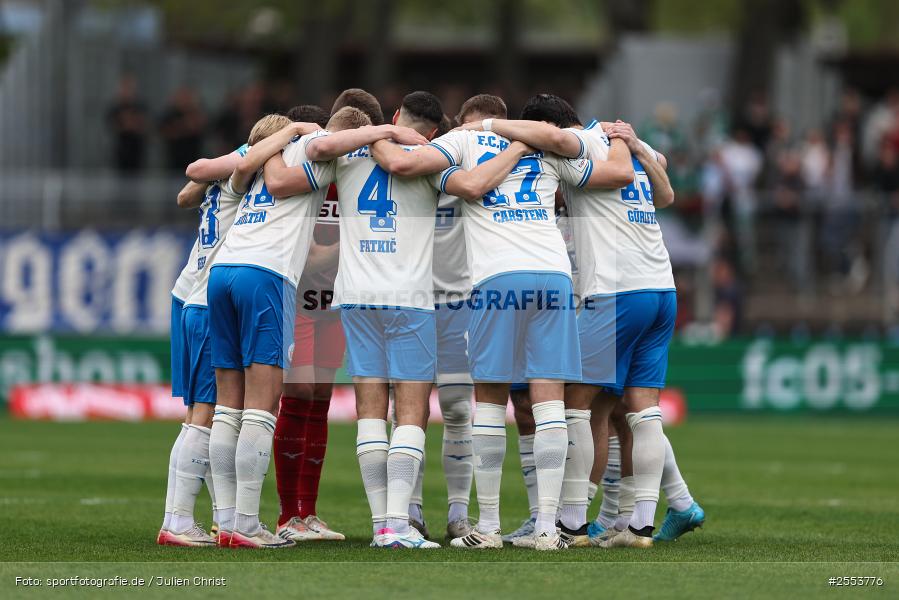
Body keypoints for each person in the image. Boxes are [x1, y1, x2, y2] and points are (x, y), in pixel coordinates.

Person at [371, 92, 629, 551]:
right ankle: (549, 529)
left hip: (497, 278)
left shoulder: (463, 140)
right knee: (550, 401)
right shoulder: (543, 146)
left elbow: (406, 165)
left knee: (489, 400)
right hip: (553, 278)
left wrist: (378, 133)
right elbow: (611, 171)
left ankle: (487, 526)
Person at [305, 91, 534, 549]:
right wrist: (517, 147)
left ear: (395, 116)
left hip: (355, 297)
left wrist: (377, 132)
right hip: (409, 298)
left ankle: (379, 527)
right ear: (435, 135)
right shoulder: (430, 161)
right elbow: (471, 187)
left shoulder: (349, 153)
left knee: (371, 411)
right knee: (412, 411)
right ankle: (397, 525)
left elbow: (317, 147)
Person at [489, 96, 703, 548]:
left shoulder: (583, 146)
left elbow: (554, 140)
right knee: (641, 409)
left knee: (576, 404)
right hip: (661, 288)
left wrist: (492, 126)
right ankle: (641, 525)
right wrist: (635, 144)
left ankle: (570, 523)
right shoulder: (632, 145)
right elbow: (665, 189)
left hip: (616, 290)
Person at [206, 114, 324, 549]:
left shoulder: (249, 171)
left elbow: (198, 175)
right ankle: (247, 523)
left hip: (223, 273)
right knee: (262, 405)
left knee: (227, 404)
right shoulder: (302, 158)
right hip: (266, 275)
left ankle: (225, 521)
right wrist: (306, 130)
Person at [157, 139, 253, 546]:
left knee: (211, 413)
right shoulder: (244, 175)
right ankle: (177, 519)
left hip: (188, 292)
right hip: (206, 300)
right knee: (208, 412)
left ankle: (221, 516)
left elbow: (185, 193)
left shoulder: (219, 178)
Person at [271, 103, 345, 543]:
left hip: (333, 304)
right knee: (297, 393)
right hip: (297, 299)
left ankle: (308, 513)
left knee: (320, 399)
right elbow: (313, 258)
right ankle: (285, 515)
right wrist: (358, 244)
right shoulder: (302, 181)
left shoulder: (346, 178)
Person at [106, 75, 148, 173]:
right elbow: (113, 125)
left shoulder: (140, 106)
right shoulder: (115, 108)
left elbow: (145, 125)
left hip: (137, 150)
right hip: (121, 150)